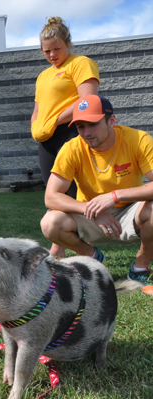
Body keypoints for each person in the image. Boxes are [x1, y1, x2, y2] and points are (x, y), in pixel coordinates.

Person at [40, 95, 153, 291]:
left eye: (93, 124)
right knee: (50, 223)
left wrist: (115, 196)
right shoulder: (72, 148)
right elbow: (51, 196)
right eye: (81, 126)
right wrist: (91, 209)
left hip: (131, 213)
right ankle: (92, 257)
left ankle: (140, 268)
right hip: (91, 216)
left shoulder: (138, 139)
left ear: (112, 121)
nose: (86, 132)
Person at [31, 17, 100, 259]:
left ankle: (59, 251)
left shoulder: (81, 63)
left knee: (71, 192)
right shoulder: (42, 76)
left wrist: (54, 121)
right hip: (47, 139)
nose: (52, 54)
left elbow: (87, 101)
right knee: (53, 193)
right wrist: (36, 126)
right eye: (46, 50)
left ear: (68, 44)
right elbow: (38, 109)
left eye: (56, 49)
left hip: (71, 131)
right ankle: (59, 248)